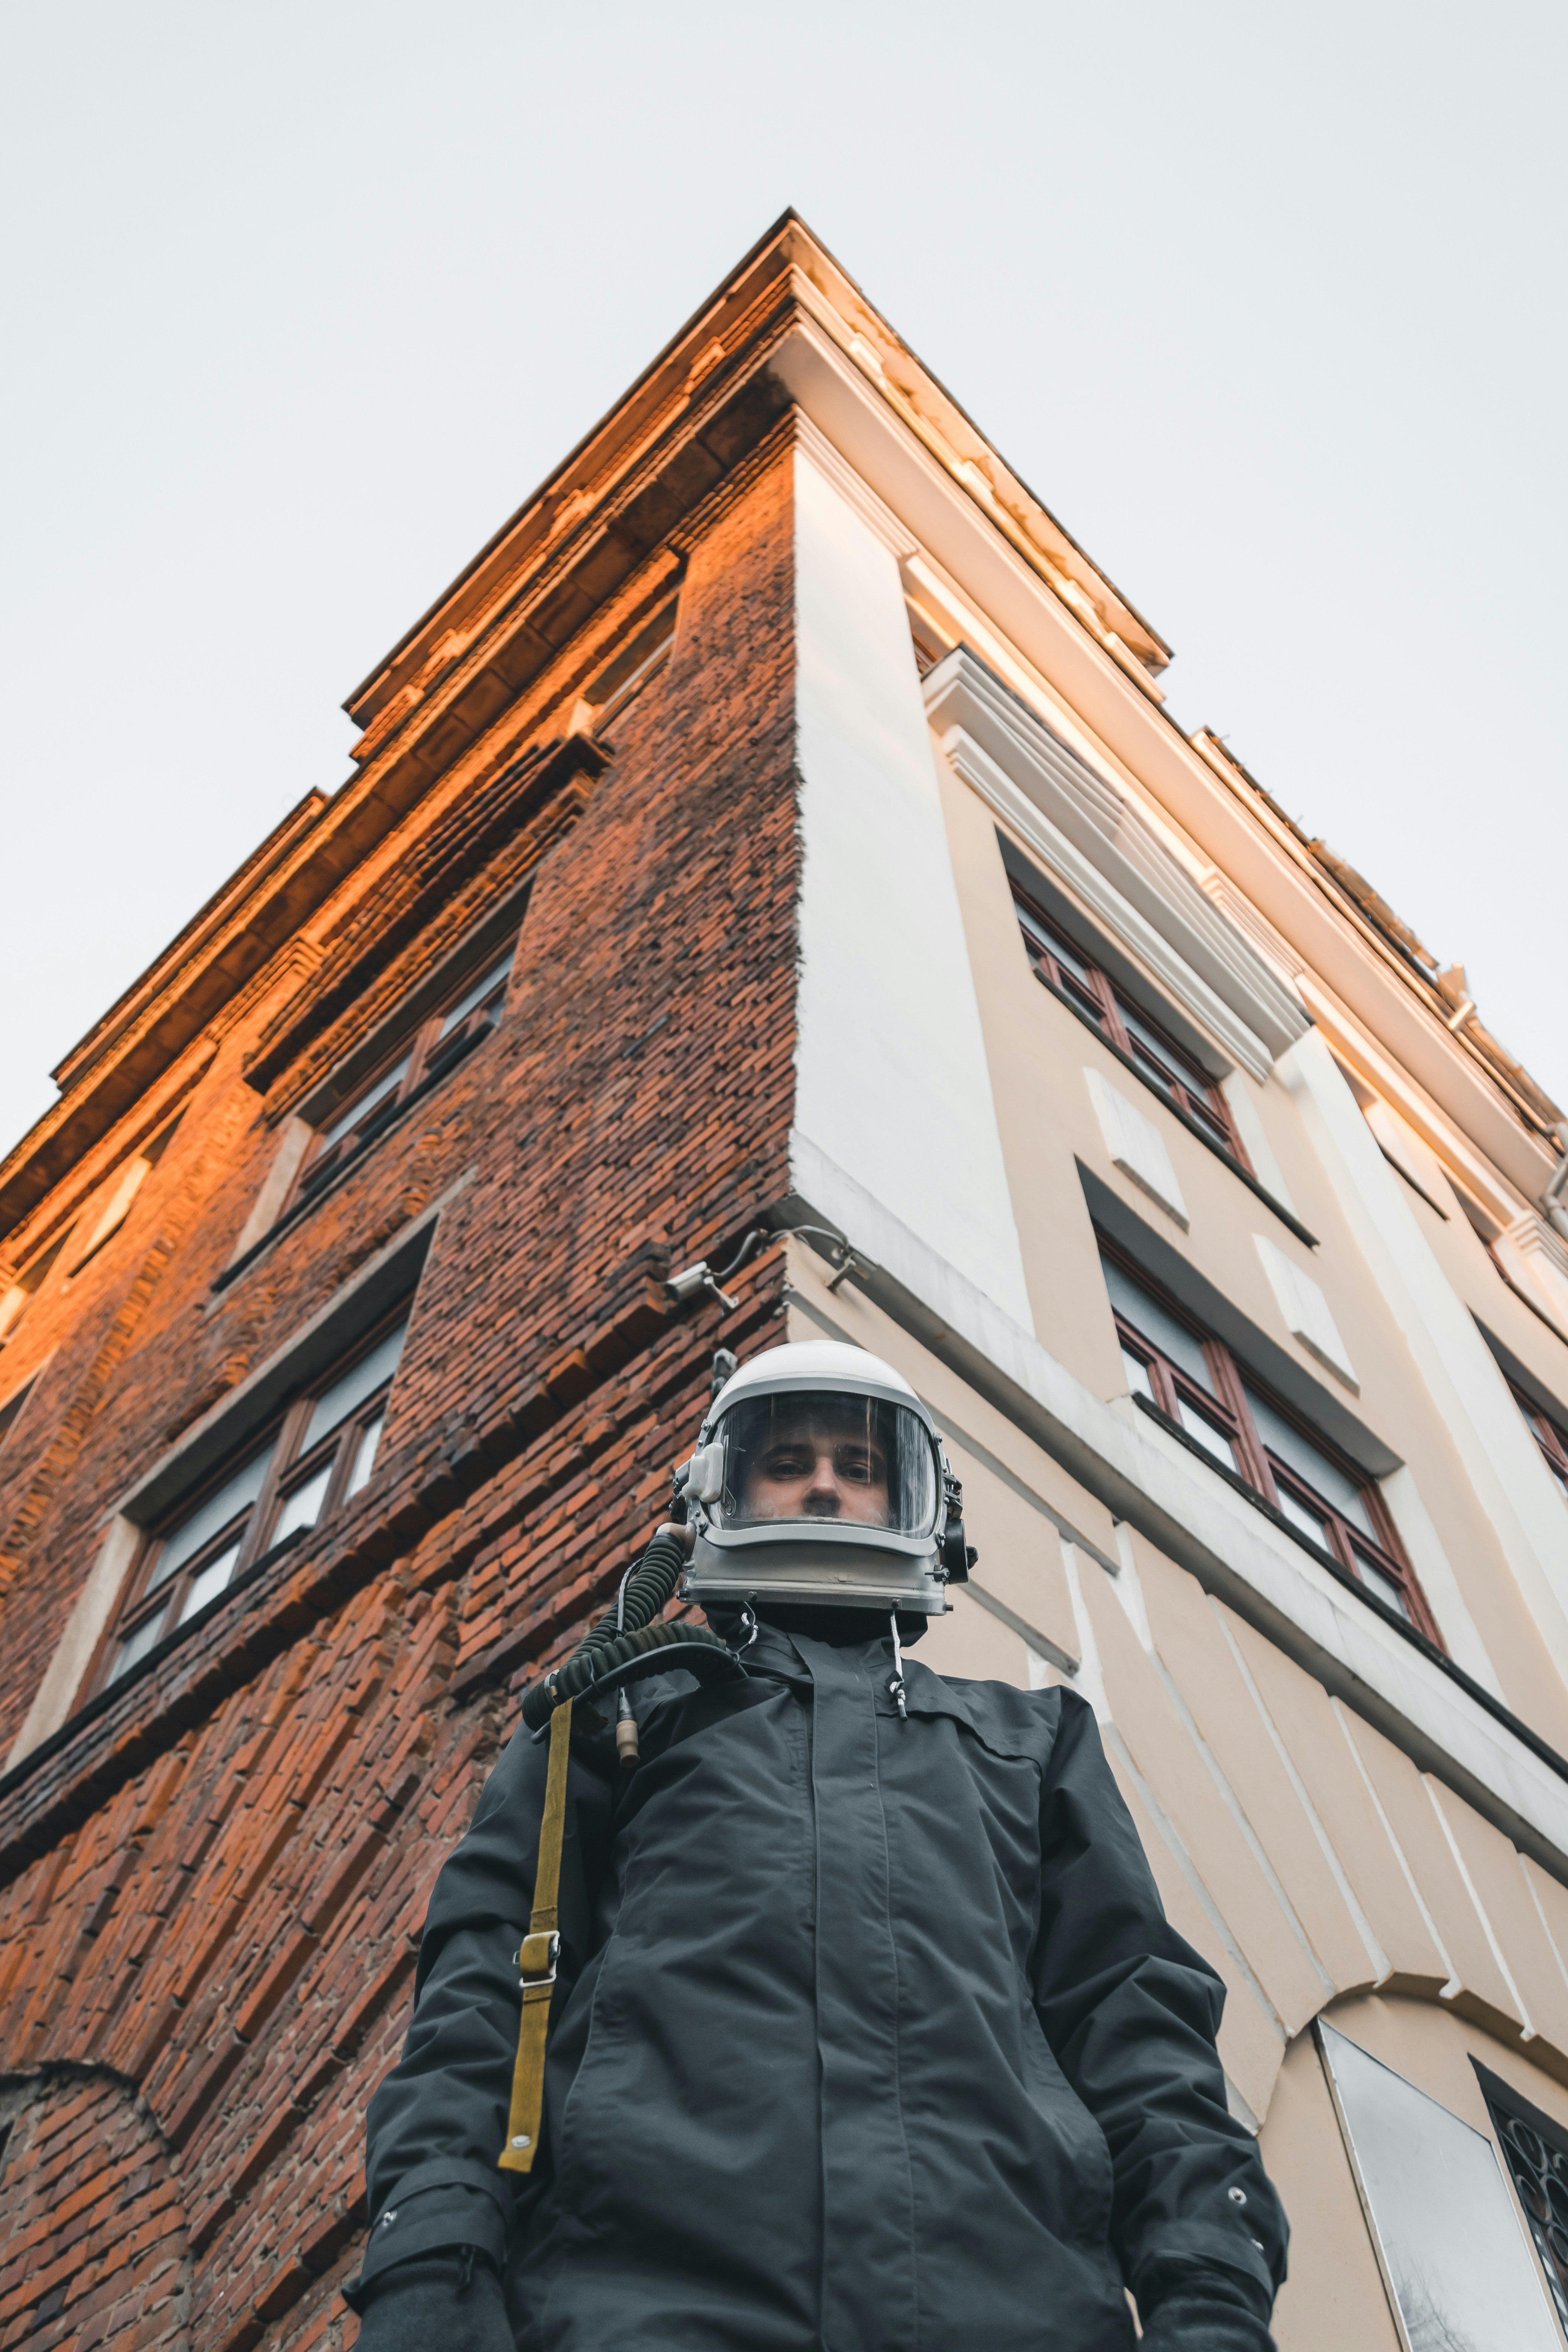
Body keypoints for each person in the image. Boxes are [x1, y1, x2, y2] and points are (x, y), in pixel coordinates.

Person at [347, 1341, 1288, 2350]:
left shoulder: (1027, 1741)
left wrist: (1209, 2290)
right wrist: (431, 2258)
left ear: (923, 1506)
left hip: (1014, 2314)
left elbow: (1138, 2026)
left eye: (863, 1467)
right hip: (641, 2312)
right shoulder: (613, 1714)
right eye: (789, 1463)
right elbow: (480, 1992)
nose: (829, 1488)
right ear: (717, 1493)